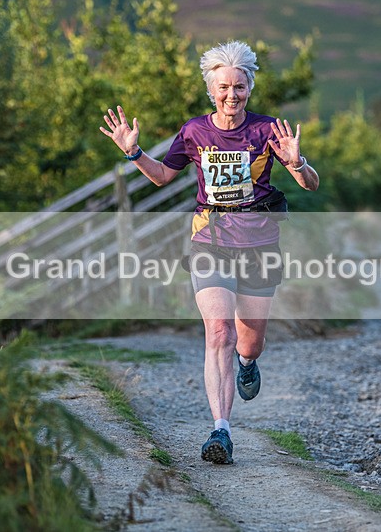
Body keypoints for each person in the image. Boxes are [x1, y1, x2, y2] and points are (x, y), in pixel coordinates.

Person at [99, 40, 319, 464]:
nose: (231, 95)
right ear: (210, 89)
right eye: (223, 87)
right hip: (210, 240)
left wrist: (297, 161)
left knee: (249, 344)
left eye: (239, 87)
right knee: (219, 331)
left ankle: (248, 363)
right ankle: (221, 431)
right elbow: (163, 176)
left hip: (259, 243)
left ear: (249, 89)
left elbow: (310, 183)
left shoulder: (268, 130)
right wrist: (134, 153)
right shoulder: (194, 131)